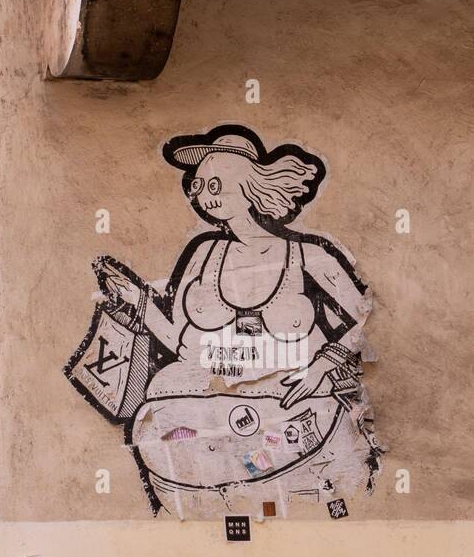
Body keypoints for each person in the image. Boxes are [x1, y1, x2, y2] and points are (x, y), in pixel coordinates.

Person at [95, 125, 381, 515]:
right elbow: (183, 343)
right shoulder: (204, 252)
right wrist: (139, 301)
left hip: (297, 425)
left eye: (216, 185)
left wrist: (322, 366)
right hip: (202, 438)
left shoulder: (309, 255)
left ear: (250, 185)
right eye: (199, 187)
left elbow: (362, 318)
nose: (204, 197)